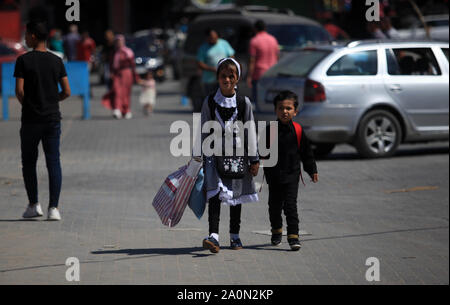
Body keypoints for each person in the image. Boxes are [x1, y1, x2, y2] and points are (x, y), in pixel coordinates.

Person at [199, 58, 260, 253]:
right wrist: (198, 156)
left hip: (237, 156)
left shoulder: (244, 103)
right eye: (223, 76)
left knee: (236, 195)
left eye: (231, 76)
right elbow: (203, 129)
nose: (227, 79)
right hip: (214, 156)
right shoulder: (209, 101)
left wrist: (254, 159)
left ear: (237, 79)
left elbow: (250, 130)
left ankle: (235, 235)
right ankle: (214, 236)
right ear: (217, 78)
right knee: (215, 194)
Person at [14, 21, 71, 221]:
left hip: (30, 120)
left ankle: (33, 205)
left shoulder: (23, 60)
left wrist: (30, 104)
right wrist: (52, 100)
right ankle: (53, 208)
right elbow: (67, 91)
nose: (25, 39)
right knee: (53, 162)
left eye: (27, 35)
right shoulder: (56, 61)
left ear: (34, 37)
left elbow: (19, 91)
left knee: (29, 163)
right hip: (52, 119)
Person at [261, 91, 318, 251]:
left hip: (292, 175)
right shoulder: (270, 130)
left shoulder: (298, 130)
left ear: (295, 111)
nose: (284, 111)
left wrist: (311, 170)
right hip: (274, 176)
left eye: (288, 108)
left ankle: (293, 237)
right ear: (275, 110)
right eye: (281, 108)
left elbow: (307, 153)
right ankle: (277, 231)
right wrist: (254, 165)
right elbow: (260, 151)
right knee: (274, 206)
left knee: (291, 206)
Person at [101, 35, 137, 119]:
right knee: (117, 91)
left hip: (126, 73)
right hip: (117, 74)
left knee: (126, 92)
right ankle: (117, 109)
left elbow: (132, 64)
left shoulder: (128, 51)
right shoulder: (113, 53)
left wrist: (135, 76)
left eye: (120, 41)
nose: (118, 43)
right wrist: (111, 73)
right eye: (117, 42)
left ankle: (126, 110)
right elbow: (111, 63)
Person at [247, 20, 279, 107]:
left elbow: (252, 60)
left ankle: (259, 119)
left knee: (257, 100)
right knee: (270, 100)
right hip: (272, 73)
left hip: (259, 74)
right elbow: (277, 56)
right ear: (265, 28)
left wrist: (249, 76)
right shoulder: (273, 39)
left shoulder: (254, 41)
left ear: (255, 29)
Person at [197, 29, 235, 98]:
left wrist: (228, 67)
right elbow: (200, 63)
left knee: (225, 99)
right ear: (207, 38)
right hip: (209, 80)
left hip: (224, 79)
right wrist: (213, 69)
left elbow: (231, 56)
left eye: (215, 37)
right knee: (211, 100)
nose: (213, 39)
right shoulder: (203, 48)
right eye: (211, 38)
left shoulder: (224, 43)